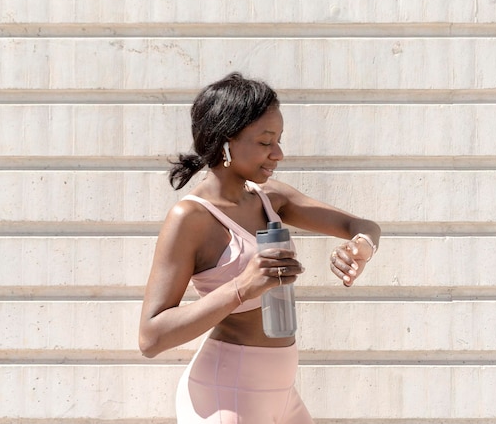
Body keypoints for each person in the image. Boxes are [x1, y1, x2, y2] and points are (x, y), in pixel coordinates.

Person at [138, 72, 381, 423]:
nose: (278, 153)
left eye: (279, 140)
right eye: (266, 142)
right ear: (226, 142)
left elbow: (362, 226)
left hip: (279, 392)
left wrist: (361, 248)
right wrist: (242, 287)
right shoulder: (190, 217)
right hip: (229, 393)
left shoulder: (271, 198)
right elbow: (151, 337)